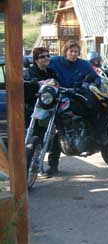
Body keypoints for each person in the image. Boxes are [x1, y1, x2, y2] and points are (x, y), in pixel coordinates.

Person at [44, 40, 98, 177]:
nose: (73, 54)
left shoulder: (84, 64)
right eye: (71, 51)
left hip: (76, 97)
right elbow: (42, 67)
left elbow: (96, 78)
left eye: (76, 52)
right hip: (58, 98)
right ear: (65, 51)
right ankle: (52, 165)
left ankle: (97, 138)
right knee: (57, 131)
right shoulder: (55, 61)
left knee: (92, 110)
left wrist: (87, 83)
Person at [24, 47, 57, 127]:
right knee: (35, 134)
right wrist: (38, 84)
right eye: (42, 57)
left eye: (47, 56)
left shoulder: (52, 72)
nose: (46, 58)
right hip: (33, 109)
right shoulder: (29, 73)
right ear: (36, 60)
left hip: (50, 108)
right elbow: (26, 90)